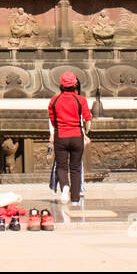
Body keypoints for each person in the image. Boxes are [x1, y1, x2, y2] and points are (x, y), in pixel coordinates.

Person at [47, 71, 91, 205]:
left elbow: (52, 119)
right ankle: (76, 199)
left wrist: (57, 129)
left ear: (61, 84)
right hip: (77, 136)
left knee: (61, 166)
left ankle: (65, 186)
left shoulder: (54, 100)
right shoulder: (80, 100)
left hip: (61, 135)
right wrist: (86, 133)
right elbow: (87, 118)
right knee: (76, 168)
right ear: (75, 84)